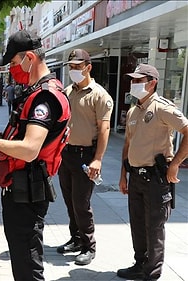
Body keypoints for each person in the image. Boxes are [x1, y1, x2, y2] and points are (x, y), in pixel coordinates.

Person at [0, 30, 71, 281]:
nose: (12, 69)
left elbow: (29, 149)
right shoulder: (39, 91)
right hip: (23, 188)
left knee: (27, 265)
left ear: (29, 58)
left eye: (13, 63)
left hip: (27, 193)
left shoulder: (45, 98)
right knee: (23, 258)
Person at [117, 64, 188, 281]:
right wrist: (123, 175)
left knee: (154, 228)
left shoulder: (161, 108)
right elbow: (127, 144)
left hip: (156, 179)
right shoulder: (133, 110)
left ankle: (152, 273)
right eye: (133, 80)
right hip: (136, 177)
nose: (134, 84)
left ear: (152, 83)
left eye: (139, 80)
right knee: (137, 225)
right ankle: (140, 264)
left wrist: (175, 163)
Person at [56, 49, 114, 265]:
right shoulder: (68, 91)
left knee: (82, 203)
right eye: (71, 67)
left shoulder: (99, 95)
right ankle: (76, 239)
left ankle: (89, 245)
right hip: (66, 154)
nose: (73, 70)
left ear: (89, 67)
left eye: (77, 67)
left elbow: (105, 129)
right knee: (70, 201)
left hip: (85, 155)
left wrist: (97, 159)